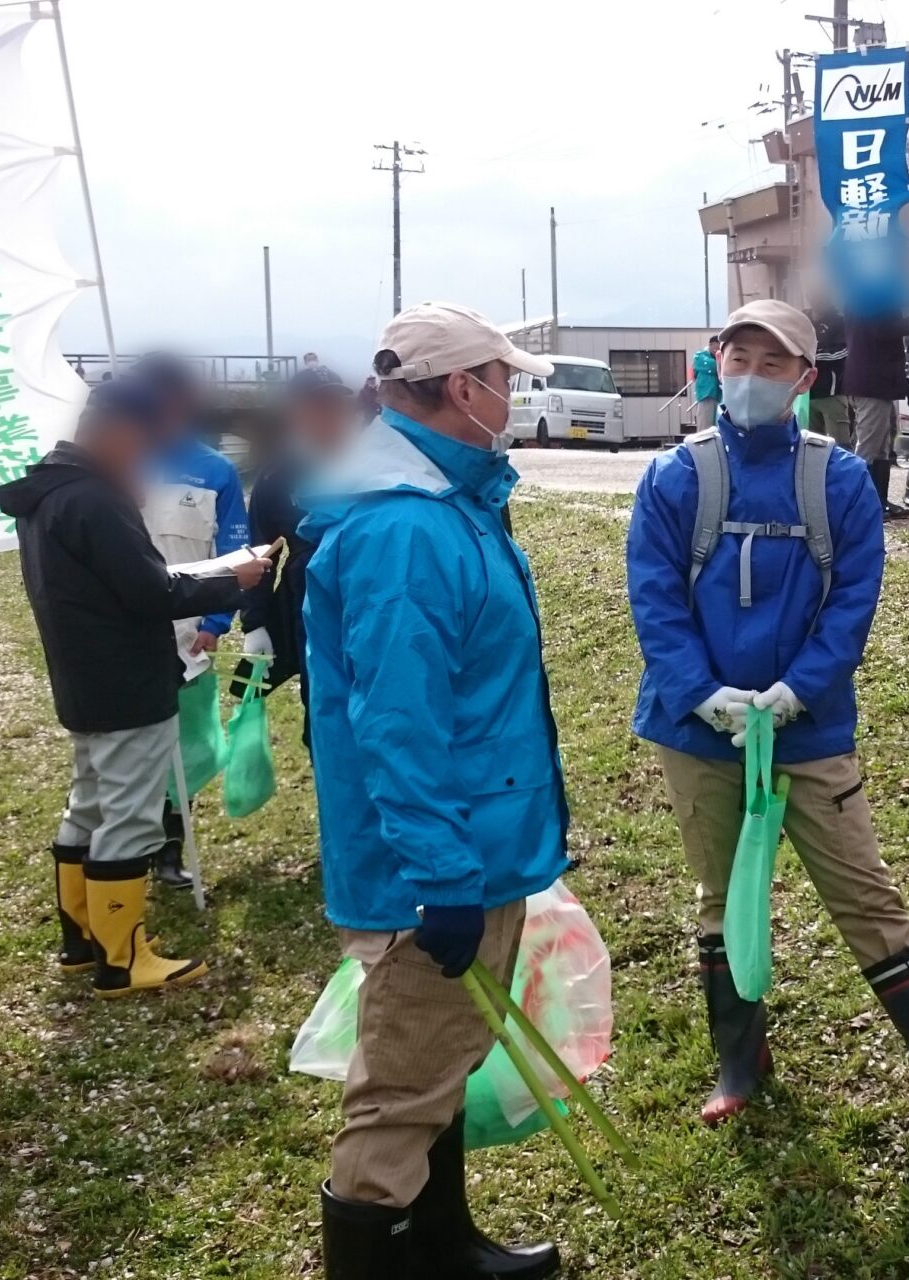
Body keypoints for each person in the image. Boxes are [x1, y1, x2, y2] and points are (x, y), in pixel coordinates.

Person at [626, 299, 909, 1145]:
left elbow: (851, 605)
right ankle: (739, 1060)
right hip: (697, 729)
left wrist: (797, 691)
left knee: (863, 893)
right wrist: (702, 694)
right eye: (739, 359)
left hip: (807, 728)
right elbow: (654, 602)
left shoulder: (836, 479)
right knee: (722, 893)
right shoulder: (673, 477)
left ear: (805, 378)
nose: (752, 378)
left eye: (773, 365)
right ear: (715, 361)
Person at [301, 303, 569, 1279]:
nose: (512, 397)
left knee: (440, 1060)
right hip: (436, 862)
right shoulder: (406, 527)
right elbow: (398, 722)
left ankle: (444, 1246)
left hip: (475, 833)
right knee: (400, 1091)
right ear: (463, 388)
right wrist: (443, 875)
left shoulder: (445, 500)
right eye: (504, 380)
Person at [0, 381, 271, 996]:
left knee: (88, 807)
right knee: (130, 818)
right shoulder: (95, 499)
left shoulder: (50, 494)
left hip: (84, 680)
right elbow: (151, 591)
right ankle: (121, 960)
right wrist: (234, 580)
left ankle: (82, 943)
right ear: (117, 432)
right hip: (127, 682)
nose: (146, 458)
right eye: (143, 444)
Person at [133, 353, 251, 890]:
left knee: (193, 747)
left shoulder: (215, 470)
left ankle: (170, 846)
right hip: (126, 630)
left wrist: (218, 619)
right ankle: (131, 843)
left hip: (189, 633)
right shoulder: (116, 463)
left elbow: (234, 551)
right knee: (131, 744)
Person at [230, 364, 357, 743]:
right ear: (294, 413)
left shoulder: (371, 463)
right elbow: (258, 551)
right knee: (323, 701)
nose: (327, 416)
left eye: (334, 405)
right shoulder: (278, 475)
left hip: (370, 593)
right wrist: (255, 623)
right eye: (316, 406)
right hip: (310, 602)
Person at [842, 310, 909, 519]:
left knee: (880, 447)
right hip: (873, 383)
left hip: (872, 382)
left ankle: (878, 501)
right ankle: (859, 504)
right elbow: (882, 331)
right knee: (868, 446)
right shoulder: (873, 302)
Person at [808, 302, 852, 445]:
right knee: (811, 446)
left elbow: (844, 351)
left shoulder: (839, 321)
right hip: (806, 394)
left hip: (832, 393)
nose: (813, 297)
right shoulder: (803, 318)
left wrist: (813, 355)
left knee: (840, 445)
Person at [692, 334, 722, 428]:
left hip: (718, 394)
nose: (717, 351)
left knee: (718, 424)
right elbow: (713, 366)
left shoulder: (716, 357)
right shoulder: (700, 356)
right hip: (706, 394)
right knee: (705, 424)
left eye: (719, 348)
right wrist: (720, 362)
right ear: (710, 344)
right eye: (715, 348)